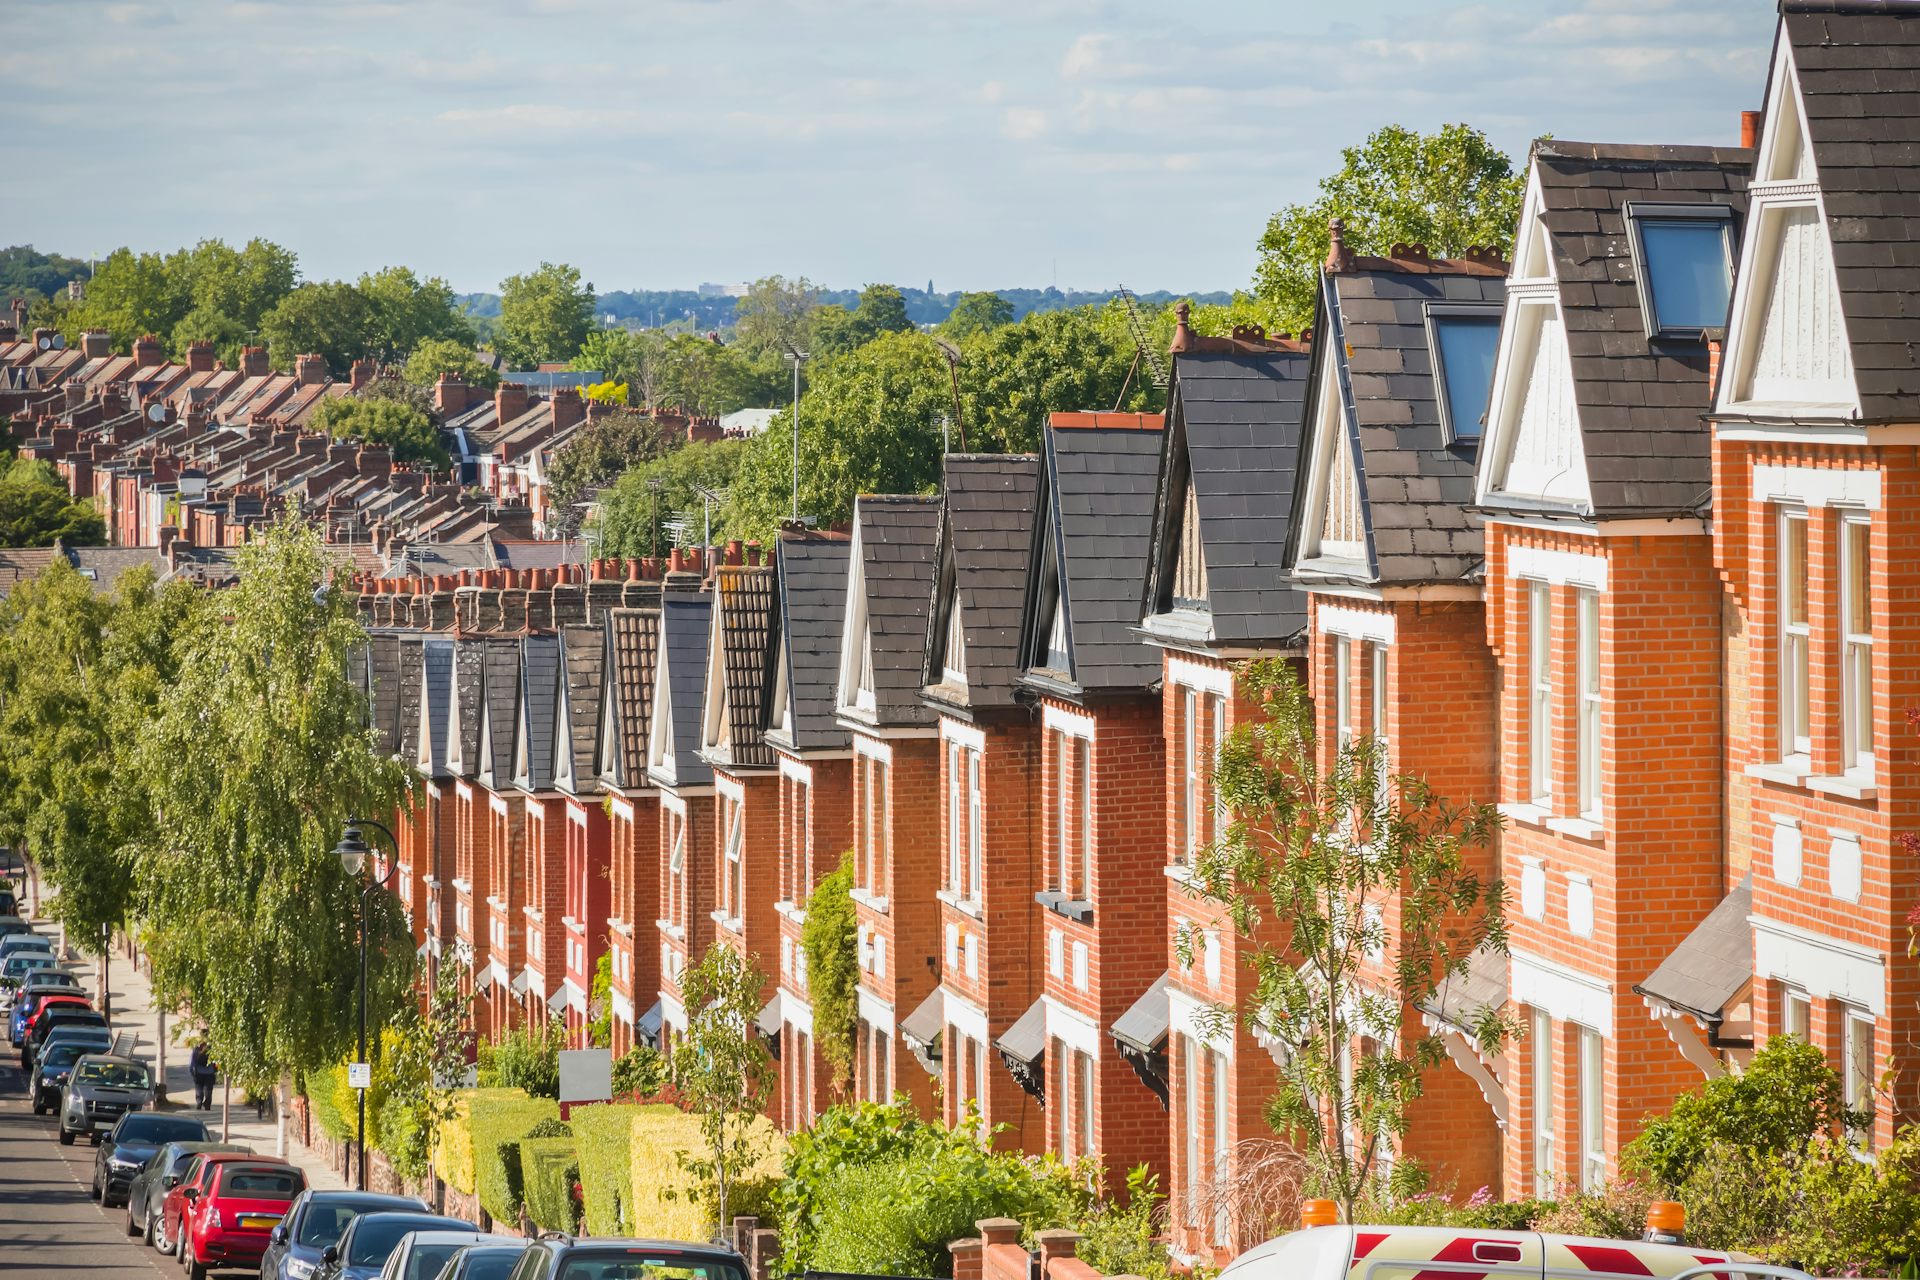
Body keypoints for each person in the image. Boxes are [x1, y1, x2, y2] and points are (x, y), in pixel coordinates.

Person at [188, 1040, 216, 1110]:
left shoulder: (196, 1049)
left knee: (199, 1088)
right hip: (210, 1072)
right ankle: (207, 1104)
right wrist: (215, 1071)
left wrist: (192, 1072)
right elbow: (215, 1061)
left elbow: (192, 1062)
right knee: (208, 1089)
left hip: (199, 1072)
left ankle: (199, 1102)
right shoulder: (211, 1049)